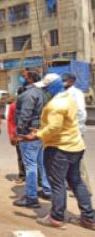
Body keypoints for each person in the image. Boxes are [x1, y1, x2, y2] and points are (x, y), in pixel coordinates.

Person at [20, 73, 95, 230]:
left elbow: (55, 127)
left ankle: (56, 217)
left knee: (57, 183)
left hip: (59, 148)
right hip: (75, 146)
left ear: (52, 88)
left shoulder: (55, 105)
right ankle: (89, 218)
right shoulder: (69, 100)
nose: (44, 91)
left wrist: (37, 134)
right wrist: (42, 129)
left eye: (46, 88)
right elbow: (61, 124)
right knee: (76, 181)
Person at [14, 68, 51, 208]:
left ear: (30, 79)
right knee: (40, 163)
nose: (21, 79)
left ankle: (31, 198)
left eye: (23, 77)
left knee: (30, 165)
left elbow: (24, 115)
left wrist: (18, 133)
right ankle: (47, 190)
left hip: (29, 134)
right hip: (39, 132)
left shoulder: (28, 94)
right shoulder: (42, 94)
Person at [62, 73, 92, 196]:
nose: (63, 82)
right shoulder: (65, 93)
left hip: (75, 132)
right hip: (67, 133)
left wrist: (77, 130)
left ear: (71, 82)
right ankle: (74, 185)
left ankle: (85, 188)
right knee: (69, 161)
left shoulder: (76, 93)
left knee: (77, 161)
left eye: (65, 80)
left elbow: (81, 113)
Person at [7, 87, 26, 184]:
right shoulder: (14, 106)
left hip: (26, 135)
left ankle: (24, 175)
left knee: (22, 156)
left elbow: (10, 122)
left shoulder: (14, 105)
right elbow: (10, 121)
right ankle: (22, 175)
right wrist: (12, 135)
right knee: (21, 156)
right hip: (20, 134)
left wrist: (12, 134)